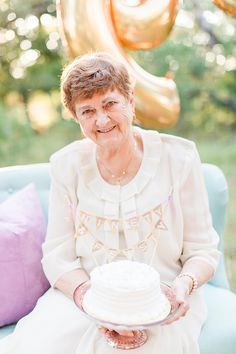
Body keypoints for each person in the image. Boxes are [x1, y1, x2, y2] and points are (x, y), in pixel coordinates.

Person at [0, 52, 221, 354]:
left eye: (110, 104)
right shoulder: (66, 165)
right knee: (32, 345)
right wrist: (89, 300)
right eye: (87, 111)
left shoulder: (179, 159)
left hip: (163, 299)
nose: (101, 119)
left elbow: (203, 251)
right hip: (87, 297)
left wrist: (183, 286)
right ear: (76, 117)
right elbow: (57, 255)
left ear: (130, 101)